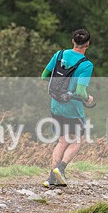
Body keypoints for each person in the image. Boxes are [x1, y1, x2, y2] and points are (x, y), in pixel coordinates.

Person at [41, 28, 95, 187]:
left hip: (56, 105)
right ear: (88, 44)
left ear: (73, 41)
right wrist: (88, 98)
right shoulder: (86, 65)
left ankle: (52, 178)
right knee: (77, 141)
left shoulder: (59, 55)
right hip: (73, 109)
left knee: (62, 141)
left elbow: (44, 77)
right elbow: (80, 91)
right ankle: (61, 169)